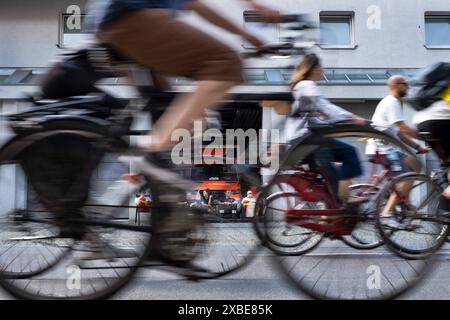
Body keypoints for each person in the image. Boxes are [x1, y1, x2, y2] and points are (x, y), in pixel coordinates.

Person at [286, 53, 366, 206]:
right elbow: (324, 107)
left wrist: (332, 124)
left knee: (330, 179)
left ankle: (328, 217)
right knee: (349, 152)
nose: (323, 71)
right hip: (308, 141)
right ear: (313, 68)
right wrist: (352, 117)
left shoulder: (299, 87)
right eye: (321, 67)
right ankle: (345, 196)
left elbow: (313, 117)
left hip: (300, 141)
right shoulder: (307, 85)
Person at [366, 76, 430, 226]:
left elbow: (400, 134)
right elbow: (404, 129)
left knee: (415, 165)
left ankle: (403, 208)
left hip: (386, 148)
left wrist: (418, 147)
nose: (408, 87)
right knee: (406, 177)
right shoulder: (392, 102)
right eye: (405, 84)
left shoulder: (394, 103)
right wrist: (424, 136)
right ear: (396, 85)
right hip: (382, 149)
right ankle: (387, 213)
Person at [413, 83, 450, 199]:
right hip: (440, 120)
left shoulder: (438, 86)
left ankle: (442, 180)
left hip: (422, 122)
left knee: (447, 162)